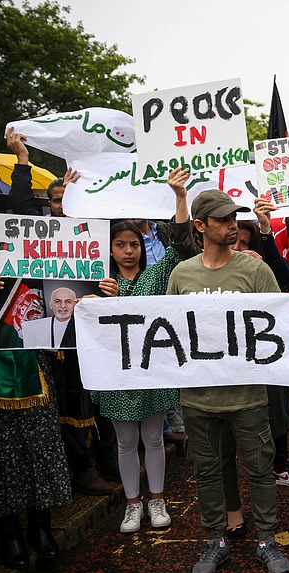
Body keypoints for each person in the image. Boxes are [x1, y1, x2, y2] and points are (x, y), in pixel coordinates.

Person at [166, 189, 289, 573]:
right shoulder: (181, 275)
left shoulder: (255, 271)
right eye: (221, 219)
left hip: (248, 395)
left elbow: (280, 323)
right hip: (198, 399)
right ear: (200, 226)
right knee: (207, 472)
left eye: (233, 217)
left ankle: (267, 539)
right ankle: (215, 540)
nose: (232, 225)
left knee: (259, 469)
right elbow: (167, 330)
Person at [92, 167, 198, 534]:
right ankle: (131, 505)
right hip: (117, 374)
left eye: (133, 244)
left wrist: (180, 197)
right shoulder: (97, 281)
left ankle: (157, 499)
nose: (127, 251)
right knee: (125, 442)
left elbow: (183, 245)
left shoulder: (157, 274)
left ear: (141, 247)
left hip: (153, 370)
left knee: (153, 439)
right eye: (120, 244)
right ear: (109, 248)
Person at [0, 227, 72, 569]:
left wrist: (96, 295)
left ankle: (41, 528)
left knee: (40, 449)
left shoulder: (33, 263)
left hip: (34, 368)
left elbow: (58, 303)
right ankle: (9, 534)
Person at [5, 126, 78, 218]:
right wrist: (22, 156)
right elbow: (21, 203)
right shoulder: (41, 225)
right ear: (50, 204)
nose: (63, 206)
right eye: (58, 200)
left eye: (69, 200)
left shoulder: (94, 223)